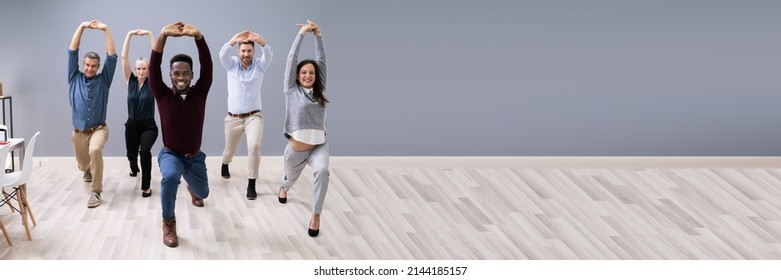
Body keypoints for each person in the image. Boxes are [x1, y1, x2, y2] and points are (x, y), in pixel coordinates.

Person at [148, 21, 212, 248]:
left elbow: (207, 65)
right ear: (171, 75)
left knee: (203, 193)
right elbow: (153, 67)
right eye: (177, 73)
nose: (181, 76)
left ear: (192, 75)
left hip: (195, 158)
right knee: (169, 177)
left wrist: (198, 37)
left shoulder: (200, 93)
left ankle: (192, 187)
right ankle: (169, 223)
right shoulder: (163, 95)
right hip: (170, 155)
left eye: (186, 73)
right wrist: (163, 34)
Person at [278, 20, 330, 237]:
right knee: (290, 179)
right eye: (304, 73)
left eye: (312, 73)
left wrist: (318, 35)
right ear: (298, 76)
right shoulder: (291, 90)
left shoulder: (320, 90)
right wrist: (301, 34)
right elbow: (292, 59)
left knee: (323, 171)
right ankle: (284, 187)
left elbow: (322, 61)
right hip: (296, 151)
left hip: (319, 146)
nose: (308, 75)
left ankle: (316, 215)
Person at [67, 19, 117, 208]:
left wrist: (106, 29)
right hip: (78, 133)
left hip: (99, 129)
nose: (90, 68)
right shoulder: (73, 77)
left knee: (95, 150)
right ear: (83, 64)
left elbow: (111, 57)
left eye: (94, 66)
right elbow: (72, 51)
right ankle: (86, 170)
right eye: (87, 65)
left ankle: (95, 192)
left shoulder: (104, 80)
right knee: (82, 165)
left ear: (98, 67)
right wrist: (82, 26)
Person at [218, 30, 273, 200]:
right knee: (230, 150)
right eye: (243, 51)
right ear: (239, 52)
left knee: (254, 146)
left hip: (253, 117)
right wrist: (234, 39)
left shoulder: (260, 66)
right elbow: (222, 54)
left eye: (249, 51)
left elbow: (269, 54)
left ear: (253, 52)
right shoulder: (231, 65)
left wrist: (261, 40)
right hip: (233, 118)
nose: (246, 54)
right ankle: (225, 163)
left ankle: (251, 183)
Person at [121, 29, 159, 198]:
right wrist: (129, 35)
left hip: (149, 126)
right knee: (131, 154)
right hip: (132, 125)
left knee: (144, 151)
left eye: (144, 68)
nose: (141, 72)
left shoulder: (153, 84)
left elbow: (157, 58)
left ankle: (146, 186)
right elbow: (123, 58)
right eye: (138, 69)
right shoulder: (130, 80)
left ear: (148, 70)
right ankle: (133, 165)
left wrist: (150, 35)